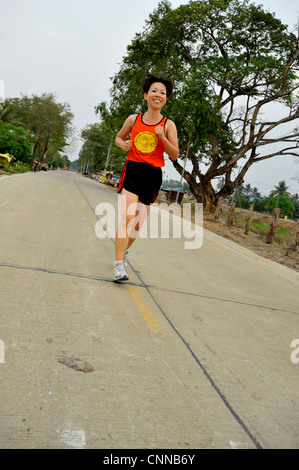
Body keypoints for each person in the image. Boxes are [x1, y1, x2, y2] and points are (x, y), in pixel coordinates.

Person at [113, 74, 179, 282]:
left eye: (162, 93)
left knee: (138, 224)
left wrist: (162, 137)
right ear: (145, 95)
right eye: (154, 91)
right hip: (133, 169)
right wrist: (121, 144)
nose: (158, 95)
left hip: (152, 175)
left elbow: (175, 154)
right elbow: (119, 137)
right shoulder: (134, 119)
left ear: (166, 99)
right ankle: (118, 266)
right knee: (128, 217)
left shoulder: (169, 125)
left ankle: (123, 254)